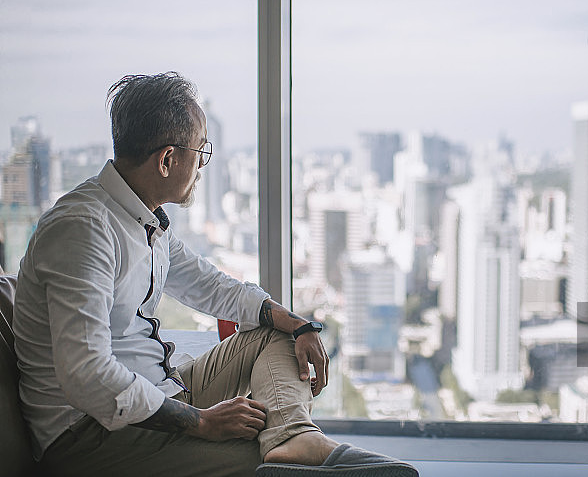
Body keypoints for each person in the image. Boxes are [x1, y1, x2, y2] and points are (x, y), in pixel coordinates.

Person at [12, 72, 418, 477]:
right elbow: (87, 376)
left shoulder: (141, 218)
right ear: (167, 160)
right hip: (89, 434)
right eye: (200, 152)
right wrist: (202, 423)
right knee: (257, 454)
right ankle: (283, 449)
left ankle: (293, 439)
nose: (202, 166)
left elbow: (210, 285)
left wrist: (298, 323)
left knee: (277, 333)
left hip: (161, 389)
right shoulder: (83, 230)